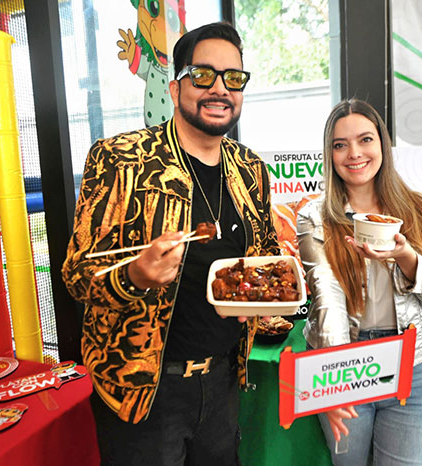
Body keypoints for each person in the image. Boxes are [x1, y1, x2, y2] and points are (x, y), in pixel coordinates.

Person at [62, 22, 279, 466]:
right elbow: (77, 275)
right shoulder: (122, 160)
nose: (220, 88)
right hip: (142, 391)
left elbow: (267, 253)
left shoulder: (250, 169)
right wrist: (135, 276)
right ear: (176, 86)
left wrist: (264, 290)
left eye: (233, 78)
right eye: (203, 75)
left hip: (223, 379)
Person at [296, 99, 422, 466]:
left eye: (365, 139)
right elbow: (326, 297)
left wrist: (406, 258)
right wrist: (334, 377)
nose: (354, 153)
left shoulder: (417, 207)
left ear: (382, 145)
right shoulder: (314, 215)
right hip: (344, 359)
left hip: (414, 362)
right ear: (329, 154)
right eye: (340, 145)